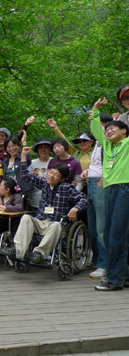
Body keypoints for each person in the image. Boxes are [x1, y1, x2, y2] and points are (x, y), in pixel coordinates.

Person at [5, 146, 89, 264]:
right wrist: (23, 156)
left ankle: (39, 253)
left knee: (56, 225)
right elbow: (25, 176)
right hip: (41, 221)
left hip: (57, 224)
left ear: (62, 179)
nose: (51, 176)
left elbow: (85, 199)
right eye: (51, 172)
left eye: (56, 175)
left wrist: (75, 208)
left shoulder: (66, 188)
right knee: (26, 218)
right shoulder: (44, 183)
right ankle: (18, 251)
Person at [91, 98, 129, 291]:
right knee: (113, 235)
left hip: (125, 189)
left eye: (114, 128)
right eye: (107, 130)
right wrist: (96, 110)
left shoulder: (128, 143)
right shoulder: (108, 147)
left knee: (115, 236)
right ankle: (124, 276)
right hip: (110, 190)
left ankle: (114, 279)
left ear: (124, 130)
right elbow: (96, 129)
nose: (109, 131)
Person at [83, 111, 112, 279]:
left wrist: (101, 178)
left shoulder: (109, 142)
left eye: (95, 122)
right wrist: (87, 171)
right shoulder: (98, 146)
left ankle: (105, 264)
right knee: (92, 227)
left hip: (101, 185)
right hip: (91, 183)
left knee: (101, 228)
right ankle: (96, 259)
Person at [1, 136, 40, 211]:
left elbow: (28, 160)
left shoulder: (22, 157)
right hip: (8, 192)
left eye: (14, 145)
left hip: (21, 192)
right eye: (9, 147)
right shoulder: (5, 161)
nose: (12, 148)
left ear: (18, 146)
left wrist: (24, 143)